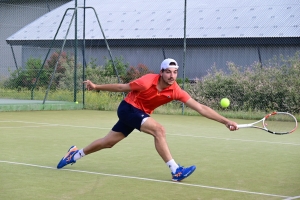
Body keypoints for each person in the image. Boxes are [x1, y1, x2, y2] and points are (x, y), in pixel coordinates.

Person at [57, 58, 238, 182]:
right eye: (168, 72)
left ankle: (75, 154)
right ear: (161, 72)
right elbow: (122, 87)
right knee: (159, 130)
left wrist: (225, 121)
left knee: (108, 142)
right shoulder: (146, 82)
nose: (172, 76)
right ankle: (176, 170)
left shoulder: (175, 90)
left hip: (139, 113)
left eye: (175, 72)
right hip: (128, 109)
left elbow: (201, 108)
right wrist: (96, 86)